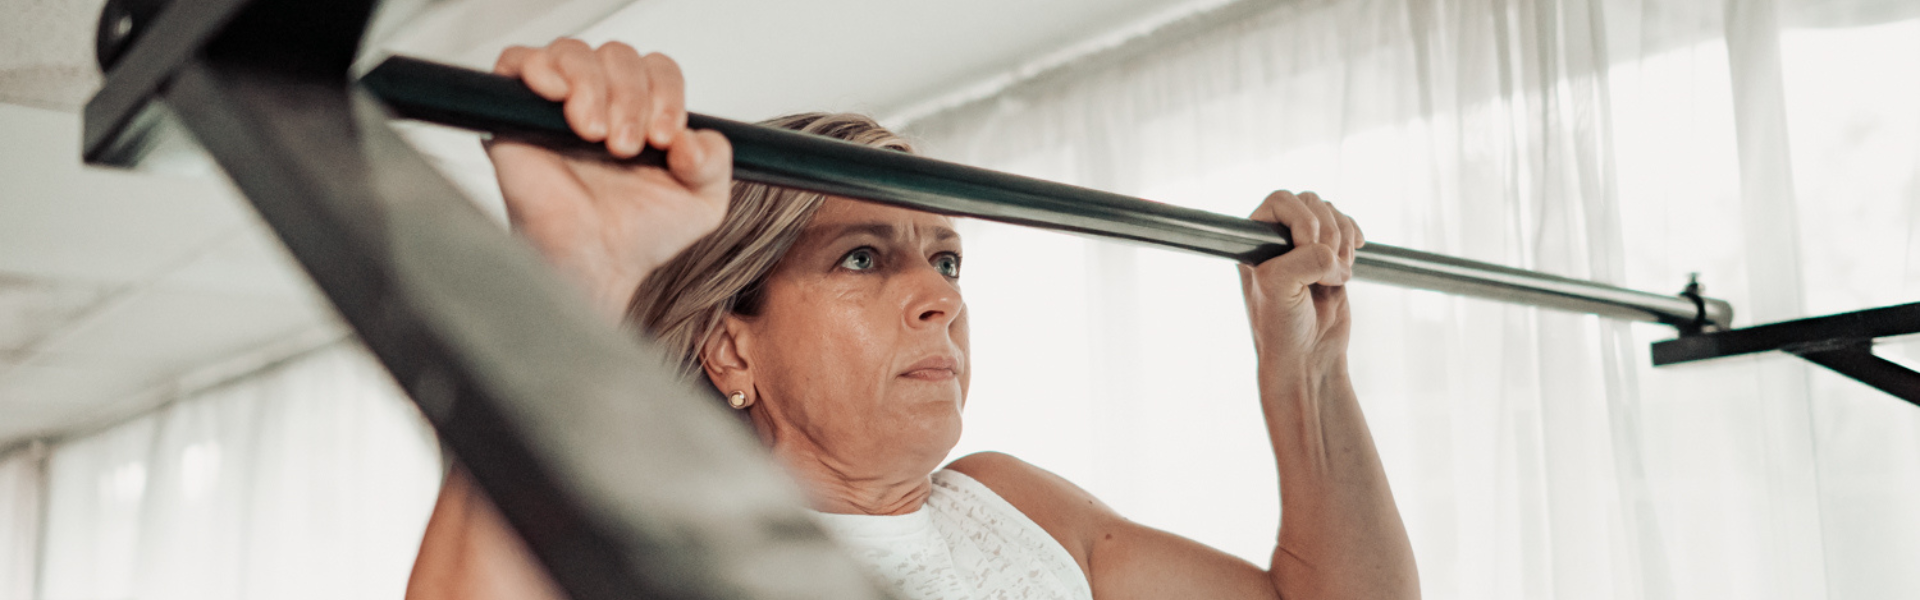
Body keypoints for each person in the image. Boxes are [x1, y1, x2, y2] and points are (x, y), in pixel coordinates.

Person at [405, 38, 1418, 600]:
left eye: (945, 258)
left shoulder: (1014, 510)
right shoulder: (663, 544)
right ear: (729, 345)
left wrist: (1307, 366)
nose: (940, 297)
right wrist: (577, 275)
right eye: (861, 257)